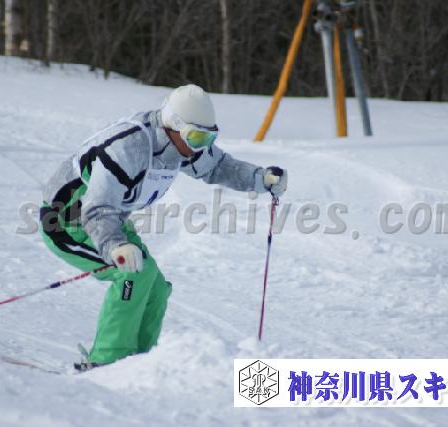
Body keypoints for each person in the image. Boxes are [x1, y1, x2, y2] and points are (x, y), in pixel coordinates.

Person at [40, 84, 288, 370]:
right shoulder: (127, 148)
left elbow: (217, 166)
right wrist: (116, 245)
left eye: (209, 138)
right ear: (174, 126)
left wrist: (260, 178)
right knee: (134, 275)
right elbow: (97, 208)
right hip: (68, 220)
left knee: (156, 290)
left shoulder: (183, 146)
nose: (201, 147)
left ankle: (139, 365)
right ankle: (106, 363)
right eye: (197, 137)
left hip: (111, 219)